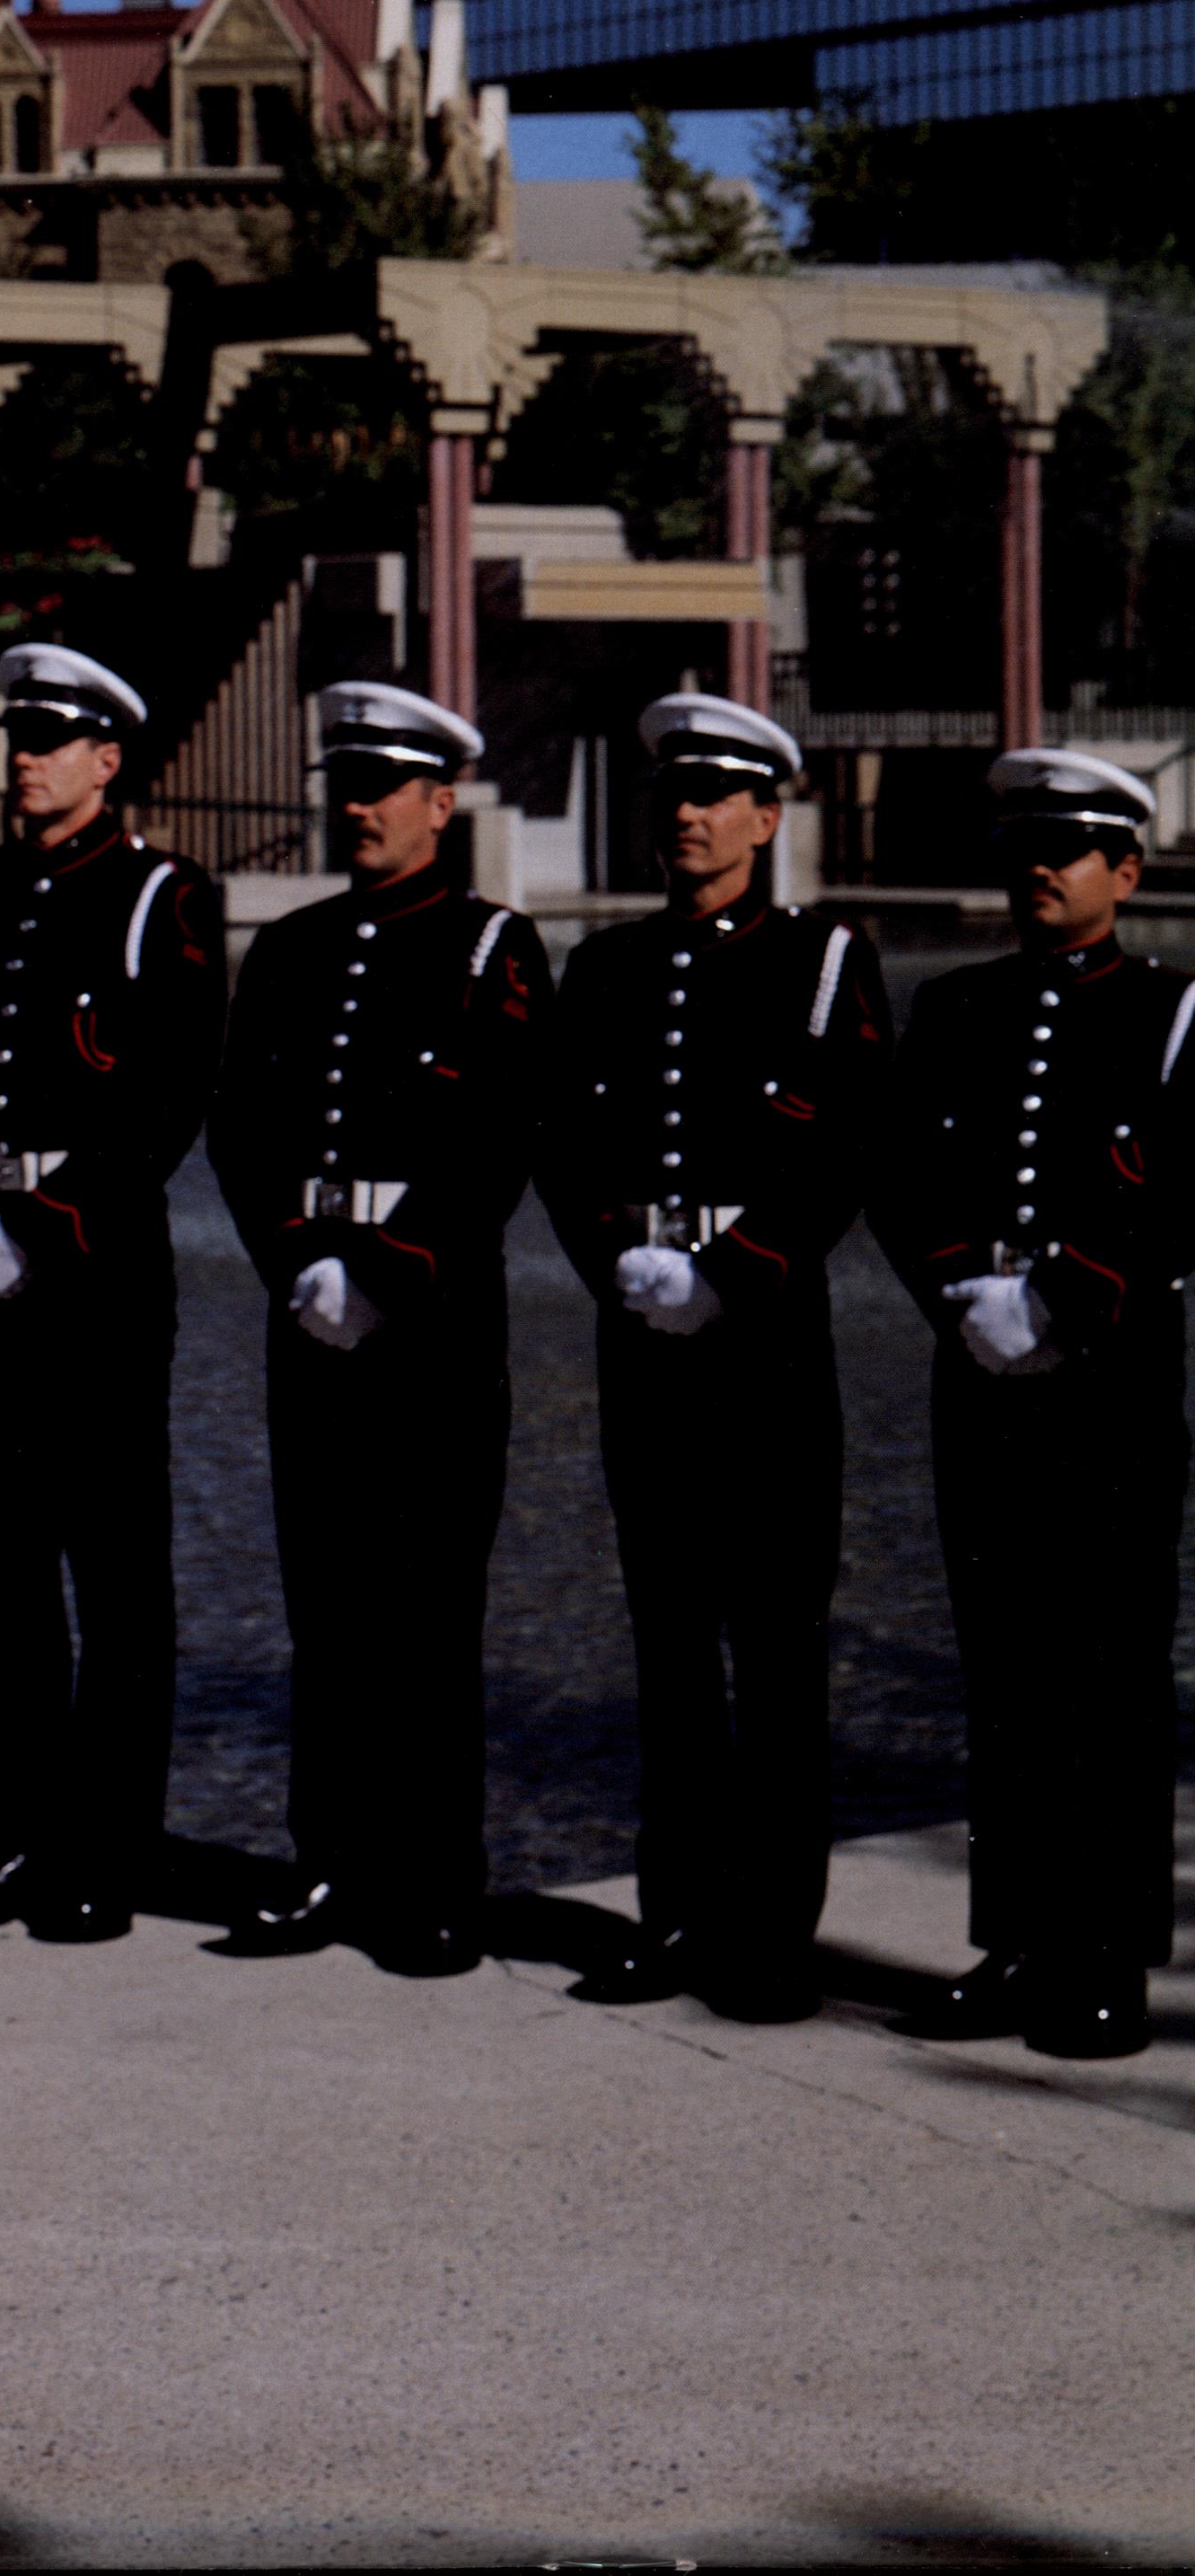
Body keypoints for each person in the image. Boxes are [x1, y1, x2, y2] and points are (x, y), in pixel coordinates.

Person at [538, 693, 891, 2024]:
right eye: (669, 795)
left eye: (713, 795)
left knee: (776, 1643)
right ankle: (672, 1913)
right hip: (642, 1333)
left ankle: (774, 1933)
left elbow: (846, 1147)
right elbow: (562, 1150)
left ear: (766, 814)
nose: (683, 816)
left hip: (764, 1344)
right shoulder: (608, 970)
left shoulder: (818, 959)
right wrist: (617, 1266)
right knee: (669, 1641)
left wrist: (730, 1272)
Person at [0, 641, 224, 1942]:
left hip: (96, 1278)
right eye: (17, 736)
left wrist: (44, 1222)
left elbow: (167, 1097)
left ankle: (107, 1847)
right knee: (0, 1566)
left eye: (53, 737)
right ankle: (11, 1829)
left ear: (108, 757)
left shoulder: (159, 898)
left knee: (115, 1568)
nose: (25, 756)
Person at [207, 684, 549, 1974]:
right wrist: (296, 1263)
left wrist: (391, 1268)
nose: (356, 805)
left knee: (426, 1610)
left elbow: (502, 1132)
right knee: (326, 1604)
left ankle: (433, 1880)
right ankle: (326, 1864)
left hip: (433, 1328)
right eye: (343, 782)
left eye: (383, 784)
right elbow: (238, 1129)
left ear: (439, 803)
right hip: (309, 1315)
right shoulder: (292, 948)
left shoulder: (488, 947)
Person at [869, 747, 1191, 2060]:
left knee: (1109, 1664)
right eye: (1023, 847)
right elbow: (899, 1170)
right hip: (979, 1363)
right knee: (1000, 1658)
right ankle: (1011, 1937)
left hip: (1106, 1370)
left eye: (1067, 848)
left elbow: (1182, 1182)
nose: (1038, 870)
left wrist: (1063, 1292)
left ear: (1125, 868)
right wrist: (959, 1293)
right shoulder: (953, 1006)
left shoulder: (1175, 1012)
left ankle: (1105, 1951)